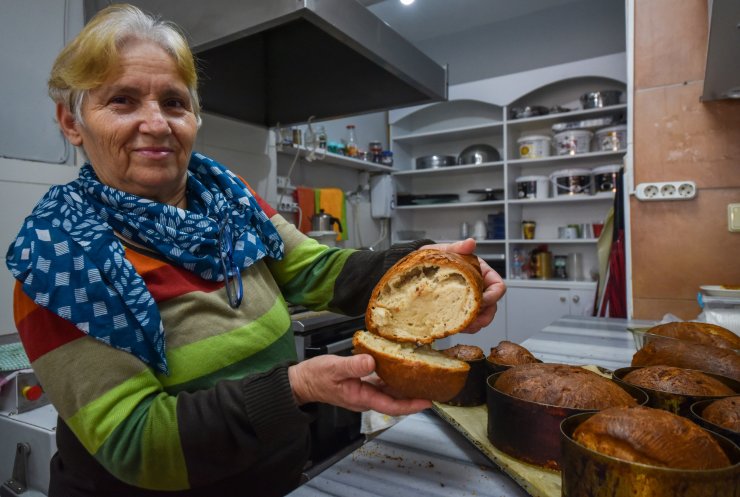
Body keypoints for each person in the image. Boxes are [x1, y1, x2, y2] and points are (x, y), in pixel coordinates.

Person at [5, 5, 505, 497]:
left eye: (175, 103)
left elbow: (320, 272)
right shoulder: (57, 265)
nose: (156, 123)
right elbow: (139, 444)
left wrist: (434, 265)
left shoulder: (231, 203)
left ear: (195, 118)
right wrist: (297, 387)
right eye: (122, 101)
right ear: (72, 122)